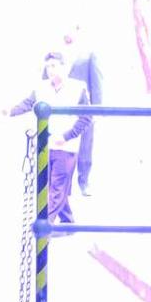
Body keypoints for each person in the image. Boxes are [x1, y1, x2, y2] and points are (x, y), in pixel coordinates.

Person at [4, 51, 92, 224]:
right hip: (46, 145)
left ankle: (45, 226)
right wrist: (10, 111)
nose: (51, 70)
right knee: (53, 185)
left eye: (54, 66)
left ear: (64, 67)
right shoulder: (41, 88)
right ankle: (68, 223)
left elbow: (86, 117)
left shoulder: (77, 88)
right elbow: (28, 104)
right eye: (48, 66)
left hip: (66, 148)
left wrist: (67, 136)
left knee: (57, 187)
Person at [63, 23, 104, 196]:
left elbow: (97, 83)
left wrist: (97, 109)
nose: (70, 33)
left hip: (83, 107)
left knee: (85, 144)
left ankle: (84, 181)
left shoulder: (88, 54)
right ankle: (65, 184)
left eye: (74, 29)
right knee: (62, 143)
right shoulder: (57, 55)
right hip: (62, 107)